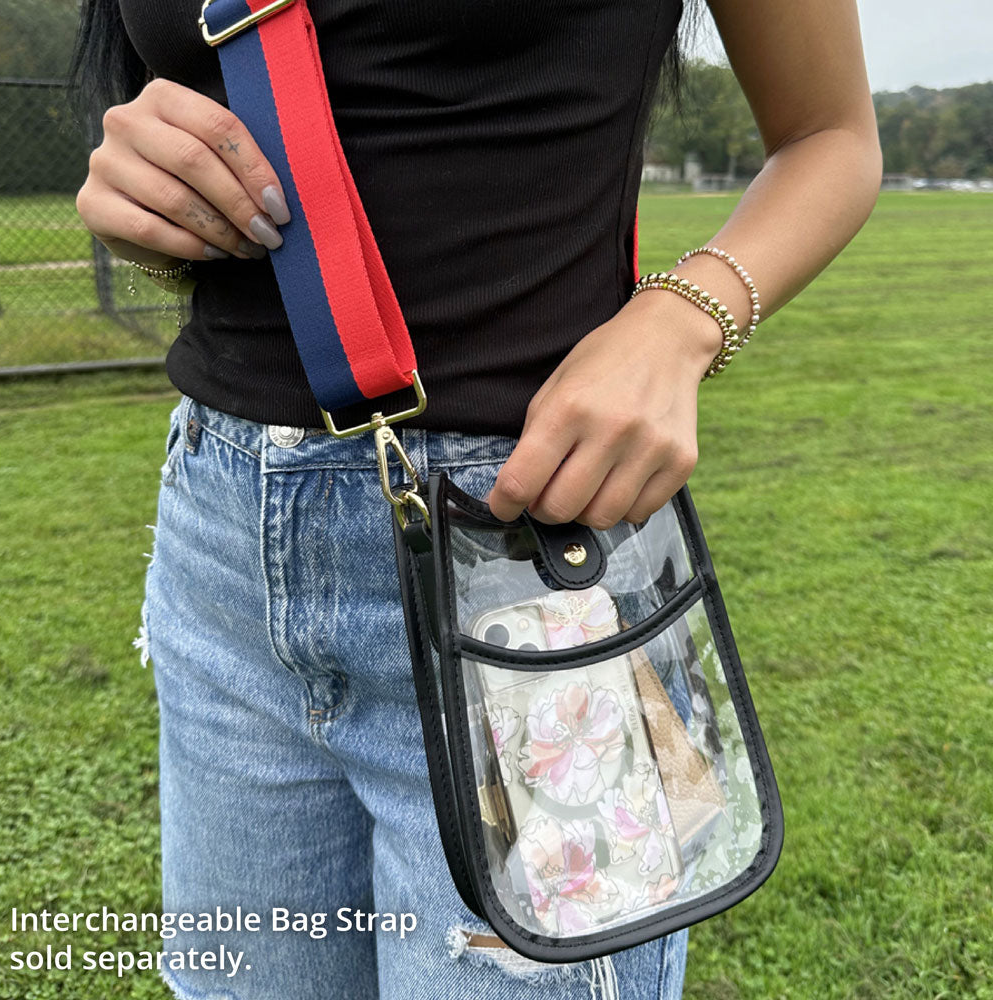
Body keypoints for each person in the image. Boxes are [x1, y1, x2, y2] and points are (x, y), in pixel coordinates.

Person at [70, 0, 881, 997]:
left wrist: (682, 318)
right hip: (220, 544)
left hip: (526, 565)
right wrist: (148, 209)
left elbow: (830, 136)